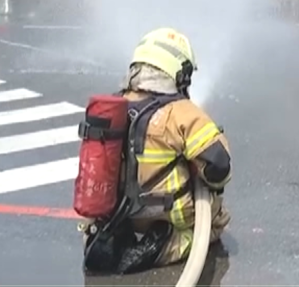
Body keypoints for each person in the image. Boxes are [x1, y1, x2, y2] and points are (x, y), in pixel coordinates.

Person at [84, 28, 232, 274]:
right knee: (215, 223)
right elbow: (218, 166)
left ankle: (109, 237)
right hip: (167, 214)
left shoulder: (112, 107)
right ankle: (163, 246)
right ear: (178, 73)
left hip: (119, 210)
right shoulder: (181, 112)